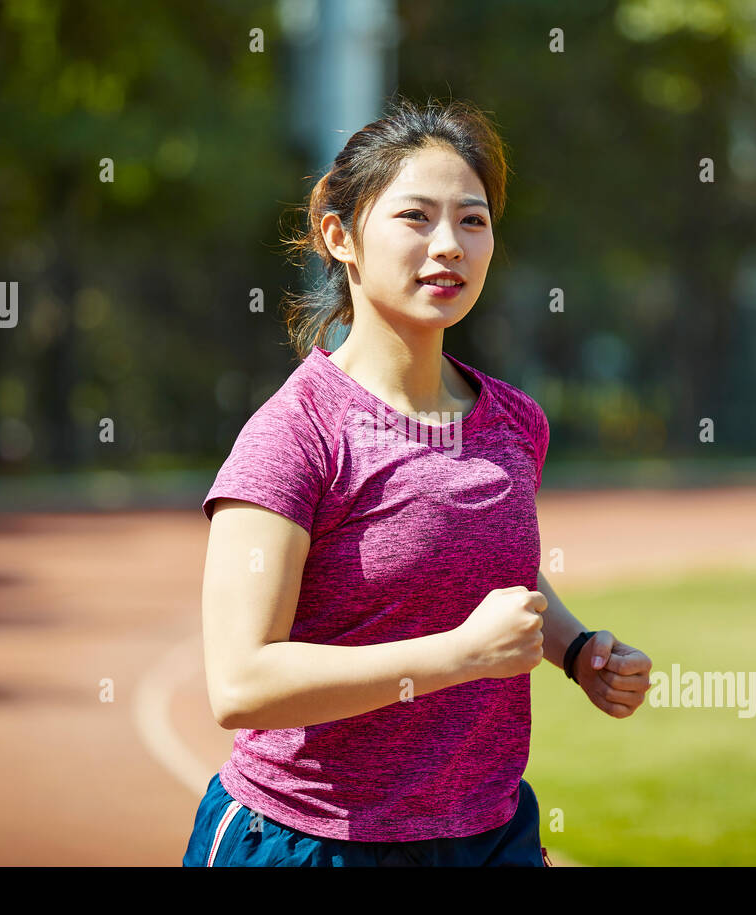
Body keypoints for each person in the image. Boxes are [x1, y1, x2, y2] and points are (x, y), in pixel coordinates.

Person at [181, 95, 652, 867]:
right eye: (415, 218)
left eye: (472, 220)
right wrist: (461, 655)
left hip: (489, 834)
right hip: (312, 841)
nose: (450, 246)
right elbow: (240, 683)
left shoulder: (514, 422)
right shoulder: (295, 434)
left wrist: (575, 649)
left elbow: (487, 563)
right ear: (342, 238)